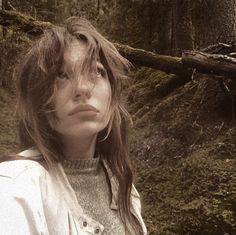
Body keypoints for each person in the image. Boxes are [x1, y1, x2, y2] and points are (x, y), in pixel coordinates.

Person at [0, 17, 147, 235]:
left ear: (113, 94)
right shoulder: (16, 187)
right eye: (62, 75)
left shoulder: (121, 183)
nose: (83, 88)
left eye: (96, 71)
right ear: (40, 99)